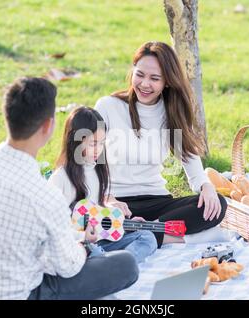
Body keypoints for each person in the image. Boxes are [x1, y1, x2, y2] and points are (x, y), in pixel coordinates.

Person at [0, 77, 138, 300]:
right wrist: (82, 246)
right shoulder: (46, 195)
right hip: (23, 294)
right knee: (126, 264)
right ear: (48, 127)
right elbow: (67, 266)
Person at [94, 41, 227, 249]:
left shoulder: (172, 112)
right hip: (116, 202)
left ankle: (141, 232)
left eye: (154, 78)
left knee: (216, 204)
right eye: (140, 74)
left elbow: (190, 160)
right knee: (87, 217)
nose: (145, 84)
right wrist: (107, 198)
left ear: (167, 81)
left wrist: (206, 186)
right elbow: (88, 162)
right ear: (132, 71)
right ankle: (160, 235)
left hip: (156, 201)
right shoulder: (108, 106)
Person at [48, 106, 157, 264]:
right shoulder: (61, 178)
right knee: (93, 252)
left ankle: (119, 264)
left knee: (147, 237)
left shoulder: (97, 171)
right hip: (78, 245)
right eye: (92, 144)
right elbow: (54, 227)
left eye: (101, 143)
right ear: (75, 142)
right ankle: (114, 264)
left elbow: (97, 213)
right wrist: (82, 236)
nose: (98, 150)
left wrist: (123, 224)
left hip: (100, 242)